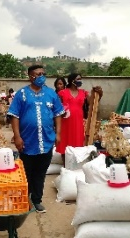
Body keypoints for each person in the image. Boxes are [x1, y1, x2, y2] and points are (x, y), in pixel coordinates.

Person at [8, 65, 64, 213]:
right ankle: (24, 199)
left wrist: (58, 134)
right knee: (26, 172)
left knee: (40, 173)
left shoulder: (51, 94)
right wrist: (17, 136)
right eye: (38, 74)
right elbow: (14, 116)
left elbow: (58, 114)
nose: (41, 76)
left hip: (46, 141)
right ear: (30, 76)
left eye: (43, 74)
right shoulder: (21, 94)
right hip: (27, 142)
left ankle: (37, 200)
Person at [56, 74, 102, 164]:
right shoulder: (62, 93)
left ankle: (75, 164)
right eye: (78, 79)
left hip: (78, 122)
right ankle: (66, 164)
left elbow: (92, 102)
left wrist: (98, 94)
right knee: (65, 142)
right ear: (72, 80)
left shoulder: (83, 92)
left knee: (77, 141)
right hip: (65, 122)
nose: (80, 81)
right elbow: (56, 107)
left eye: (80, 79)